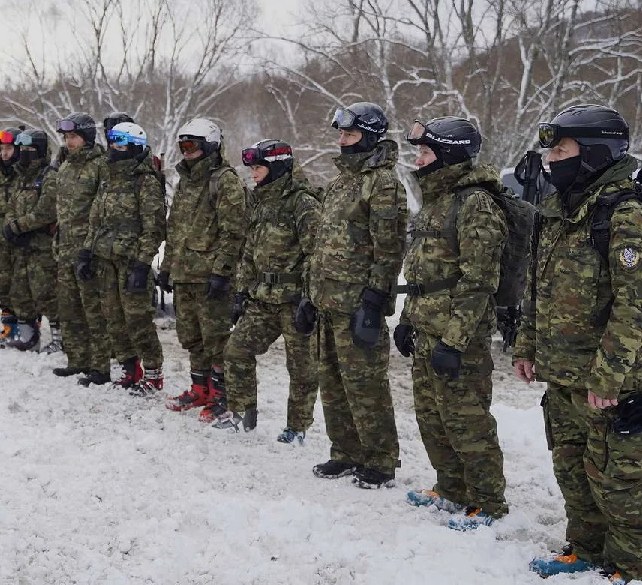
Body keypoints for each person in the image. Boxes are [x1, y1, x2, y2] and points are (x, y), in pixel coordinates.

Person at [516, 105, 642, 584]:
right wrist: (526, 345)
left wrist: (609, 374)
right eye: (551, 149)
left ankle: (630, 567)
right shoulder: (558, 211)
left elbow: (637, 305)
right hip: (562, 372)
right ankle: (585, 549)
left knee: (617, 478)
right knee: (573, 470)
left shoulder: (625, 213)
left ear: (597, 153)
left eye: (562, 150)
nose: (551, 159)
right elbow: (537, 288)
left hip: (612, 379)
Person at [396, 117, 509, 530]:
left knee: (467, 420)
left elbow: (479, 281)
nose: (419, 160)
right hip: (427, 327)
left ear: (448, 155)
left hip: (459, 335)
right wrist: (407, 319)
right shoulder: (436, 200)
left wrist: (455, 341)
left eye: (426, 152)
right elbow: (423, 271)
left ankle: (488, 502)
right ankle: (451, 487)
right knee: (431, 415)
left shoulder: (475, 203)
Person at [306, 102, 407, 489]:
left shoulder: (382, 184)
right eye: (342, 134)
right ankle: (344, 452)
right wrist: (308, 294)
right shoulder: (338, 184)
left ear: (369, 137)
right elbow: (322, 245)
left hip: (357, 304)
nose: (342, 141)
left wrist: (374, 301)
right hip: (327, 301)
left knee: (365, 386)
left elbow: (389, 249)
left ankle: (380, 459)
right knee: (331, 383)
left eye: (350, 135)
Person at [212, 139, 319, 442]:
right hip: (261, 300)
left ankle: (297, 428)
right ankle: (242, 413)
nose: (253, 173)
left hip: (294, 300)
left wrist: (310, 299)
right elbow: (248, 251)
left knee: (301, 369)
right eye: (252, 168)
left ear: (277, 167)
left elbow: (316, 254)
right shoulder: (259, 201)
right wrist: (241, 292)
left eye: (258, 167)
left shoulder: (303, 202)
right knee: (236, 350)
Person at [161, 117, 247, 420]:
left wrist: (222, 272)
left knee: (216, 339)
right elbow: (176, 228)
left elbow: (233, 231)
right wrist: (167, 267)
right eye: (182, 145)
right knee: (191, 337)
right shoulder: (185, 180)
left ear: (208, 146)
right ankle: (200, 389)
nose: (186, 151)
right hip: (185, 275)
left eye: (192, 145)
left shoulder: (224, 180)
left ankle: (223, 395)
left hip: (210, 277)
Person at [78, 121, 167, 392]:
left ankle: (153, 373)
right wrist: (86, 250)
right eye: (112, 142)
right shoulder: (108, 177)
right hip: (106, 258)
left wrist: (142, 264)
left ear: (133, 146)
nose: (113, 148)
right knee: (113, 318)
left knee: (137, 319)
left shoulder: (145, 181)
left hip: (131, 261)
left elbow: (154, 227)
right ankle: (130, 369)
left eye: (119, 143)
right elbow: (95, 219)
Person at [50, 113, 110, 376]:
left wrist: (92, 246)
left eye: (73, 137)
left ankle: (100, 365)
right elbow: (61, 210)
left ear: (86, 137)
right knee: (69, 308)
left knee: (93, 310)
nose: (68, 142)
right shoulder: (65, 166)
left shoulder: (101, 166)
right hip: (65, 249)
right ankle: (77, 360)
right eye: (65, 137)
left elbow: (105, 211)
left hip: (90, 250)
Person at [0, 129, 59, 351]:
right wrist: (10, 227)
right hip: (21, 247)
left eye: (30, 150)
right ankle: (28, 337)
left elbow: (46, 212)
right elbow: (11, 207)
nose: (25, 154)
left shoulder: (49, 177)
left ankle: (58, 338)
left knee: (47, 294)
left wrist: (18, 226)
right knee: (20, 292)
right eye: (22, 149)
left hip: (42, 247)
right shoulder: (20, 177)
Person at [0, 126, 23, 346]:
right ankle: (9, 327)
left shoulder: (27, 174)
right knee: (3, 284)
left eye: (9, 148)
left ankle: (29, 328)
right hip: (2, 238)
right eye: (2, 148)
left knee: (23, 285)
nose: (4, 153)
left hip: (22, 237)